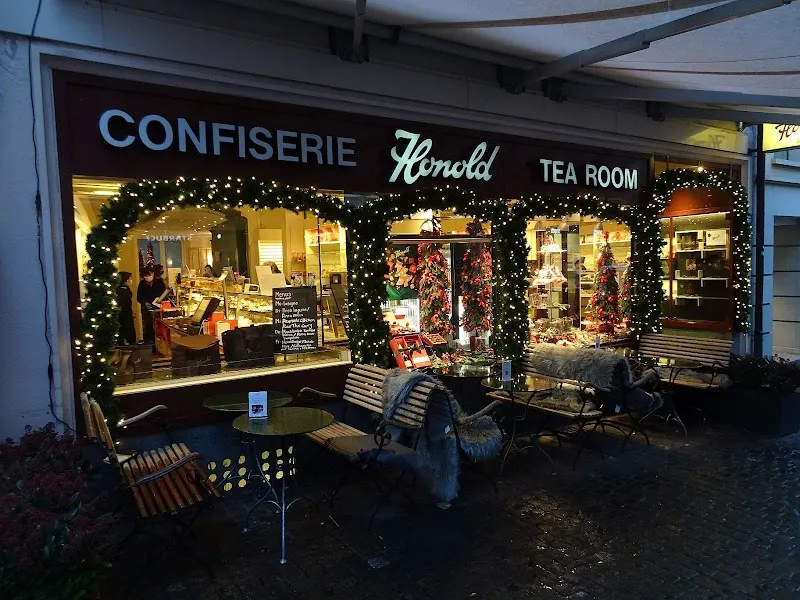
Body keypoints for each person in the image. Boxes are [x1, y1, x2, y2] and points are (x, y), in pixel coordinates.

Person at [136, 266, 166, 344]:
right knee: (148, 325)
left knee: (159, 325)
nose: (147, 277)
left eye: (148, 275)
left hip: (158, 307)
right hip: (146, 309)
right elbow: (139, 296)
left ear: (152, 273)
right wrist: (144, 302)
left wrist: (159, 299)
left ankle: (159, 341)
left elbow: (164, 293)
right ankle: (150, 342)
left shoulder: (159, 282)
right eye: (145, 276)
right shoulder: (142, 284)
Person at [116, 271, 136, 345]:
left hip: (124, 312)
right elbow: (125, 302)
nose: (131, 280)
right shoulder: (124, 290)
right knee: (127, 329)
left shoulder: (119, 289)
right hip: (125, 313)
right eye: (130, 278)